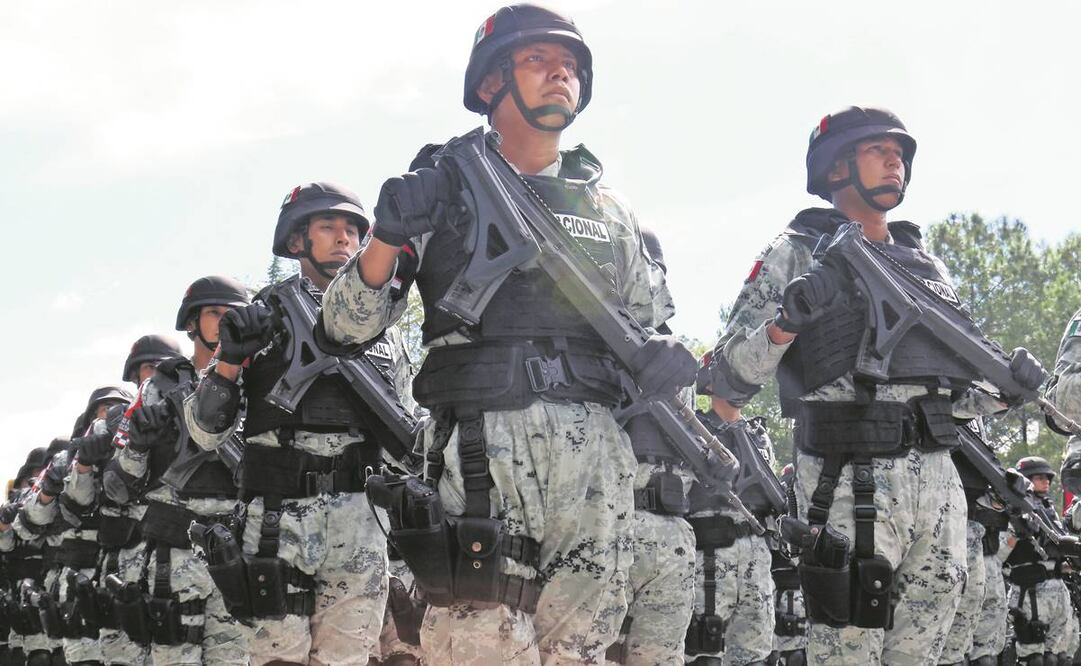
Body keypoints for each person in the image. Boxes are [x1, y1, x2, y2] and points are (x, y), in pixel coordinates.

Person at [322, 4, 693, 663]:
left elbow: (652, 323)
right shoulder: (444, 184)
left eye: (571, 65)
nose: (560, 74)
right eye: (537, 60)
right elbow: (346, 325)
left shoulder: (610, 209)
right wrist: (386, 235)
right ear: (491, 82)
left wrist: (667, 356)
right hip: (482, 443)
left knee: (580, 647)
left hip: (595, 457)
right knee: (477, 639)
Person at [700, 105, 1045, 664]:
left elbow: (958, 397)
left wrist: (1008, 391)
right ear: (836, 168)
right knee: (848, 649)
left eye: (900, 154)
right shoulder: (795, 253)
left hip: (937, 488)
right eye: (878, 151)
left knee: (925, 652)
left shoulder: (923, 266)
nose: (895, 162)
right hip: (848, 487)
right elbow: (727, 380)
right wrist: (786, 322)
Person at [184, 183, 417, 666]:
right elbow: (206, 430)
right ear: (296, 242)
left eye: (353, 230)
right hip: (277, 519)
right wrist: (229, 360)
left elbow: (409, 431)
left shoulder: (384, 332)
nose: (344, 239)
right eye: (328, 227)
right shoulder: (261, 319)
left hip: (360, 522)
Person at [105, 276, 250, 665]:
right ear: (191, 323)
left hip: (236, 554)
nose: (225, 323)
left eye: (234, 315)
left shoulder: (259, 383)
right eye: (215, 313)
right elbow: (117, 488)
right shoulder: (159, 387)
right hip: (174, 556)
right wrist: (138, 446)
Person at [1004, 457, 1076, 665]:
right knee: (1033, 658)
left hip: (1057, 588)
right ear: (1025, 480)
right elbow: (1000, 553)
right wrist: (1018, 533)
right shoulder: (1015, 510)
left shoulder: (1048, 510)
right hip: (1031, 591)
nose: (1046, 482)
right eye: (1039, 477)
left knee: (1059, 657)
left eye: (1048, 478)